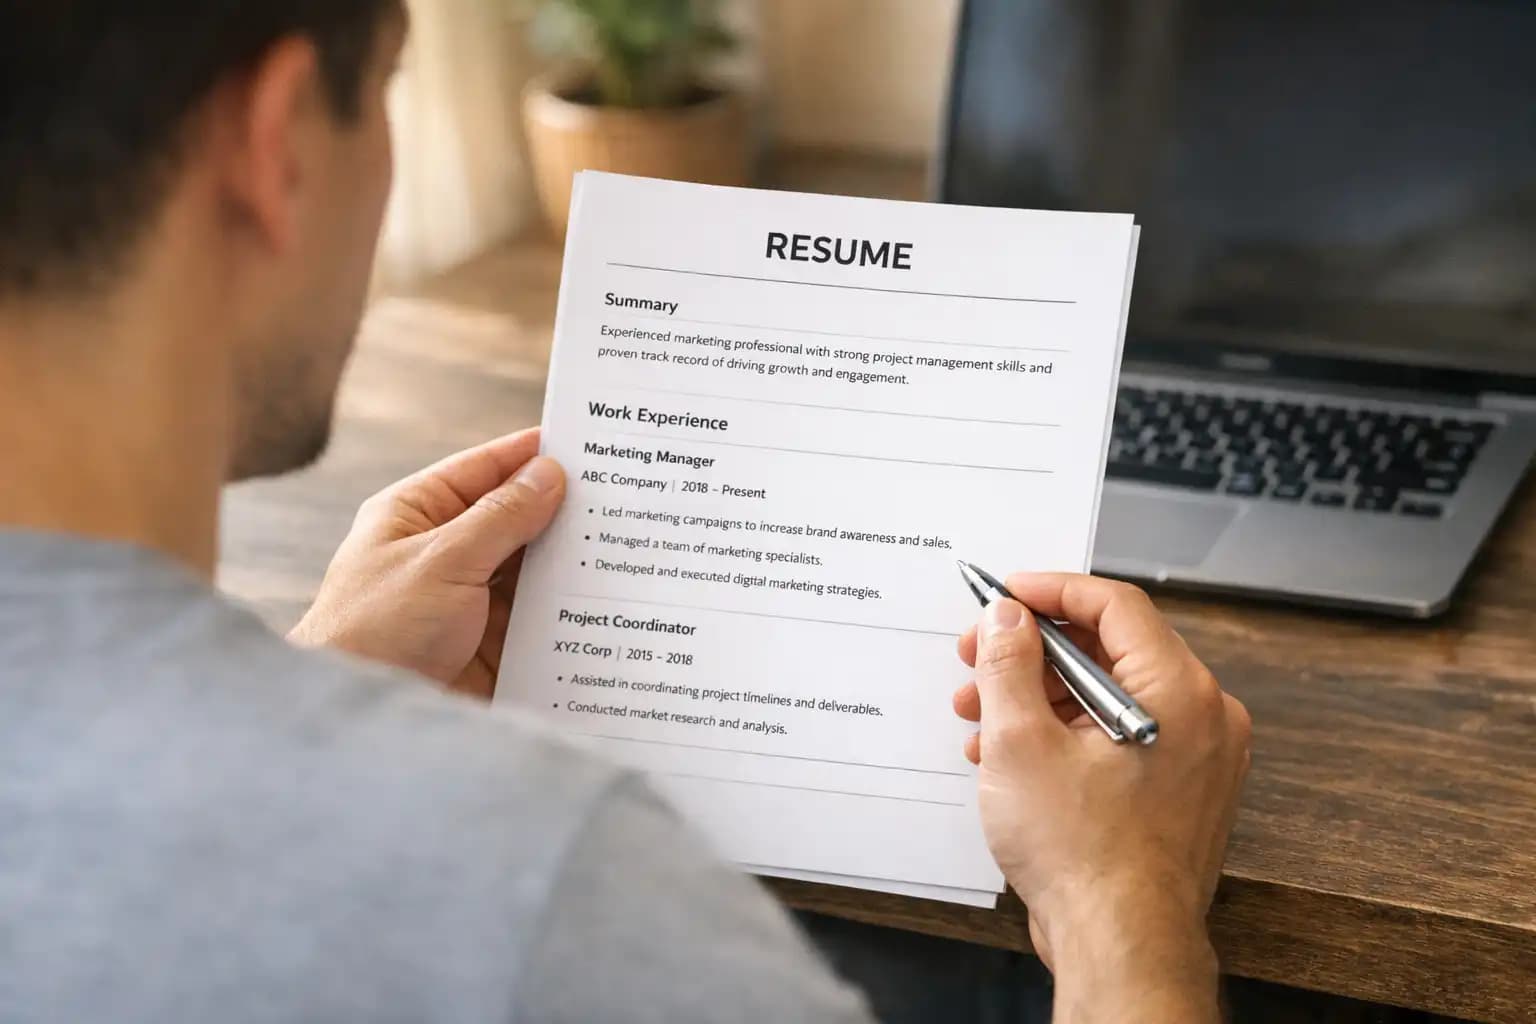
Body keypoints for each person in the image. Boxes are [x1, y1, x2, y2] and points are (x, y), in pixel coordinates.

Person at [0, 2, 1251, 1021]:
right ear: (274, 145)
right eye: (386, 86)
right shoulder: (554, 882)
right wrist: (1125, 919)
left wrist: (320, 689)